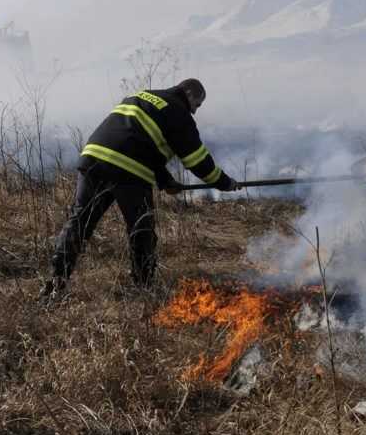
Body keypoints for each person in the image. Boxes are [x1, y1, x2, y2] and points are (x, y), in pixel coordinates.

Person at [40, 78, 238, 302]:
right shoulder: (179, 112)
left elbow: (140, 142)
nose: (195, 112)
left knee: (80, 221)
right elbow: (196, 160)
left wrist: (165, 180)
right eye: (197, 106)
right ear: (190, 96)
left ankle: (56, 281)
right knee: (141, 229)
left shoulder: (142, 96)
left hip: (93, 159)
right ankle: (143, 289)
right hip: (129, 171)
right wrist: (224, 182)